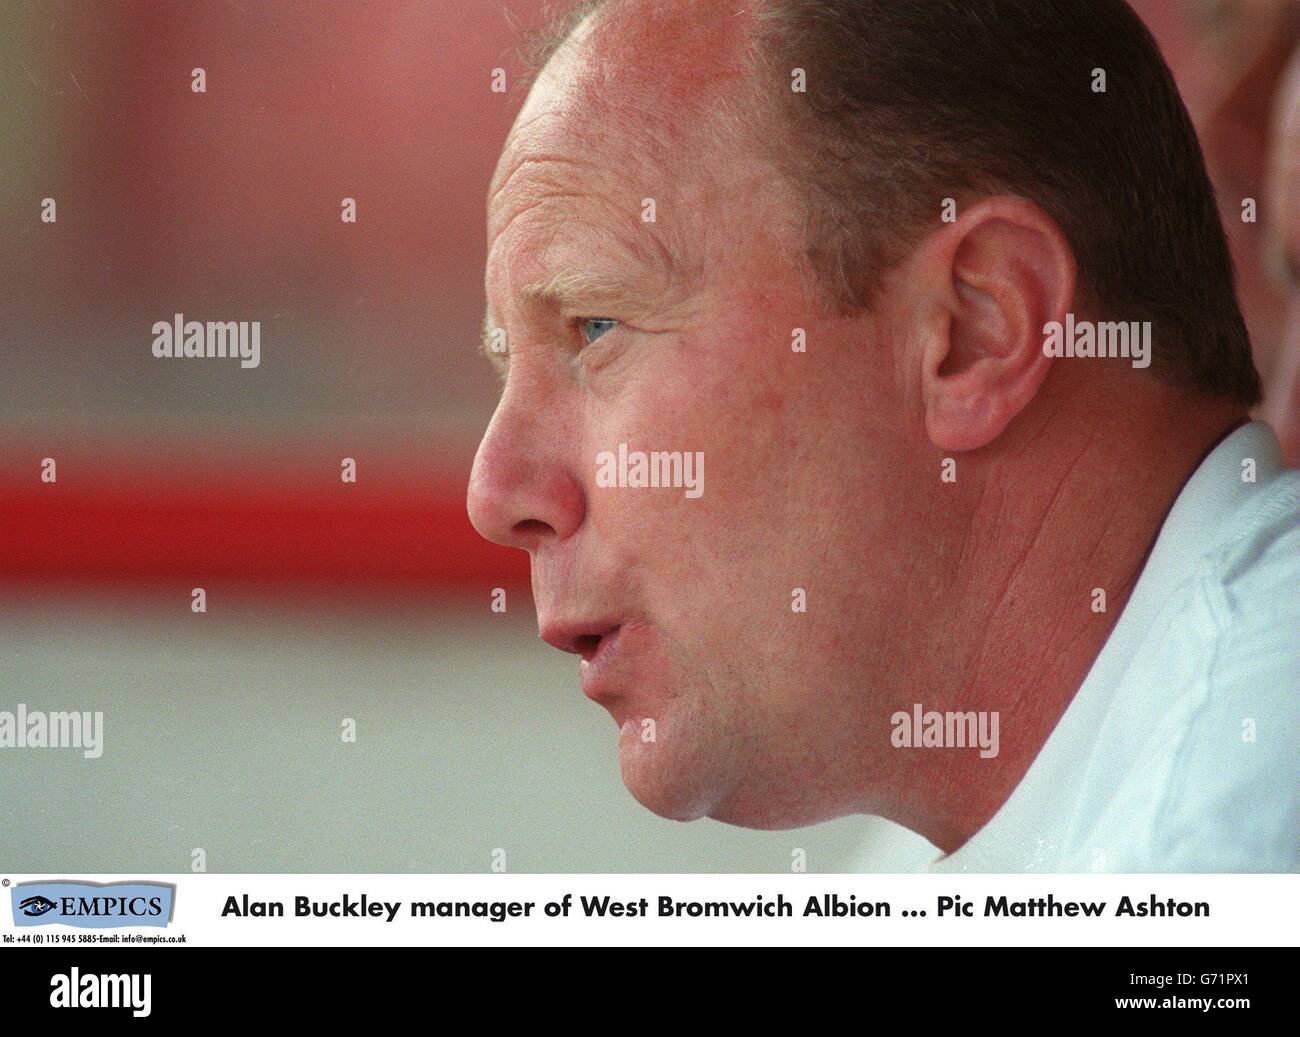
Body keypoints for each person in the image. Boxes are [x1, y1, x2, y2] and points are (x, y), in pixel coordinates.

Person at [467, 0, 1298, 872]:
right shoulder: (965, 829)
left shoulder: (1223, 835)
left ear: (976, 329)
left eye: (596, 328)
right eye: (502, 366)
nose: (494, 493)